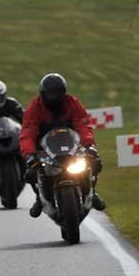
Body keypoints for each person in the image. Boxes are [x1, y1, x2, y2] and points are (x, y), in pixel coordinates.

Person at [20, 73, 106, 218]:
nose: (53, 97)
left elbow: (83, 124)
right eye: (50, 94)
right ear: (43, 93)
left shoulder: (72, 103)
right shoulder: (34, 108)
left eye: (57, 93)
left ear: (63, 92)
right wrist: (29, 153)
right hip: (44, 148)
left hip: (71, 144)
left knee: (95, 162)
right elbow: (27, 132)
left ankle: (92, 191)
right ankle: (39, 198)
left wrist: (89, 144)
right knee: (30, 173)